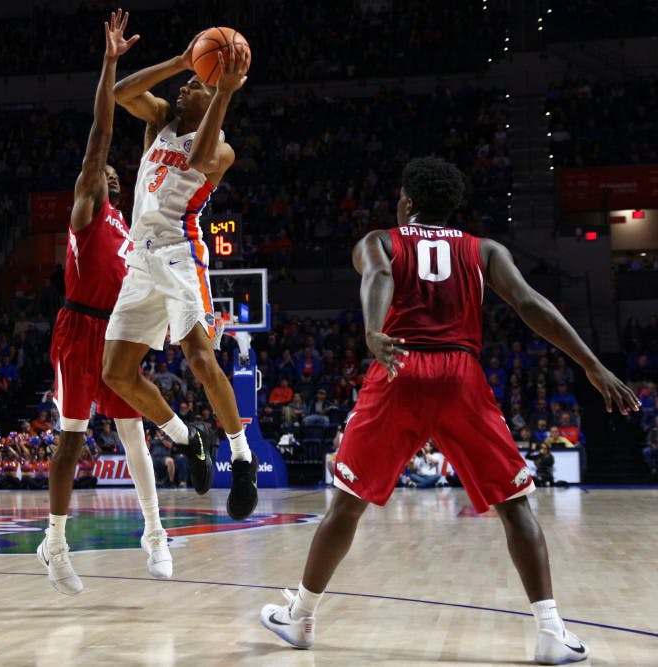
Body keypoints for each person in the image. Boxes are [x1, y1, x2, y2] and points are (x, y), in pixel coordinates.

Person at [259, 157, 640, 664]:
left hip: (398, 368)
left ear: (407, 202)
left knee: (347, 503)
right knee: (515, 506)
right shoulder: (485, 250)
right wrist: (592, 365)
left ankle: (301, 615)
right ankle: (550, 630)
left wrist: (372, 330)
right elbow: (530, 304)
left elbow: (378, 275)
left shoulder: (380, 240)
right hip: (461, 376)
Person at [38, 9, 173, 597]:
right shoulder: (88, 210)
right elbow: (101, 136)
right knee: (72, 438)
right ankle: (55, 543)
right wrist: (110, 64)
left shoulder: (128, 221)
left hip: (117, 331)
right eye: (103, 174)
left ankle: (155, 533)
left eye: (117, 175)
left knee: (134, 431)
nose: (111, 176)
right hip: (78, 329)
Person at [102, 24, 258, 521]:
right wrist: (180, 60)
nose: (184, 87)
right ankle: (188, 439)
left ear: (213, 97)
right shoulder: (160, 122)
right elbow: (119, 93)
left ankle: (242, 458)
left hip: (180, 254)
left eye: (195, 84)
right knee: (116, 373)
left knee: (199, 358)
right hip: (140, 258)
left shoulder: (223, 149)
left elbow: (200, 157)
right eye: (186, 83)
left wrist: (223, 91)